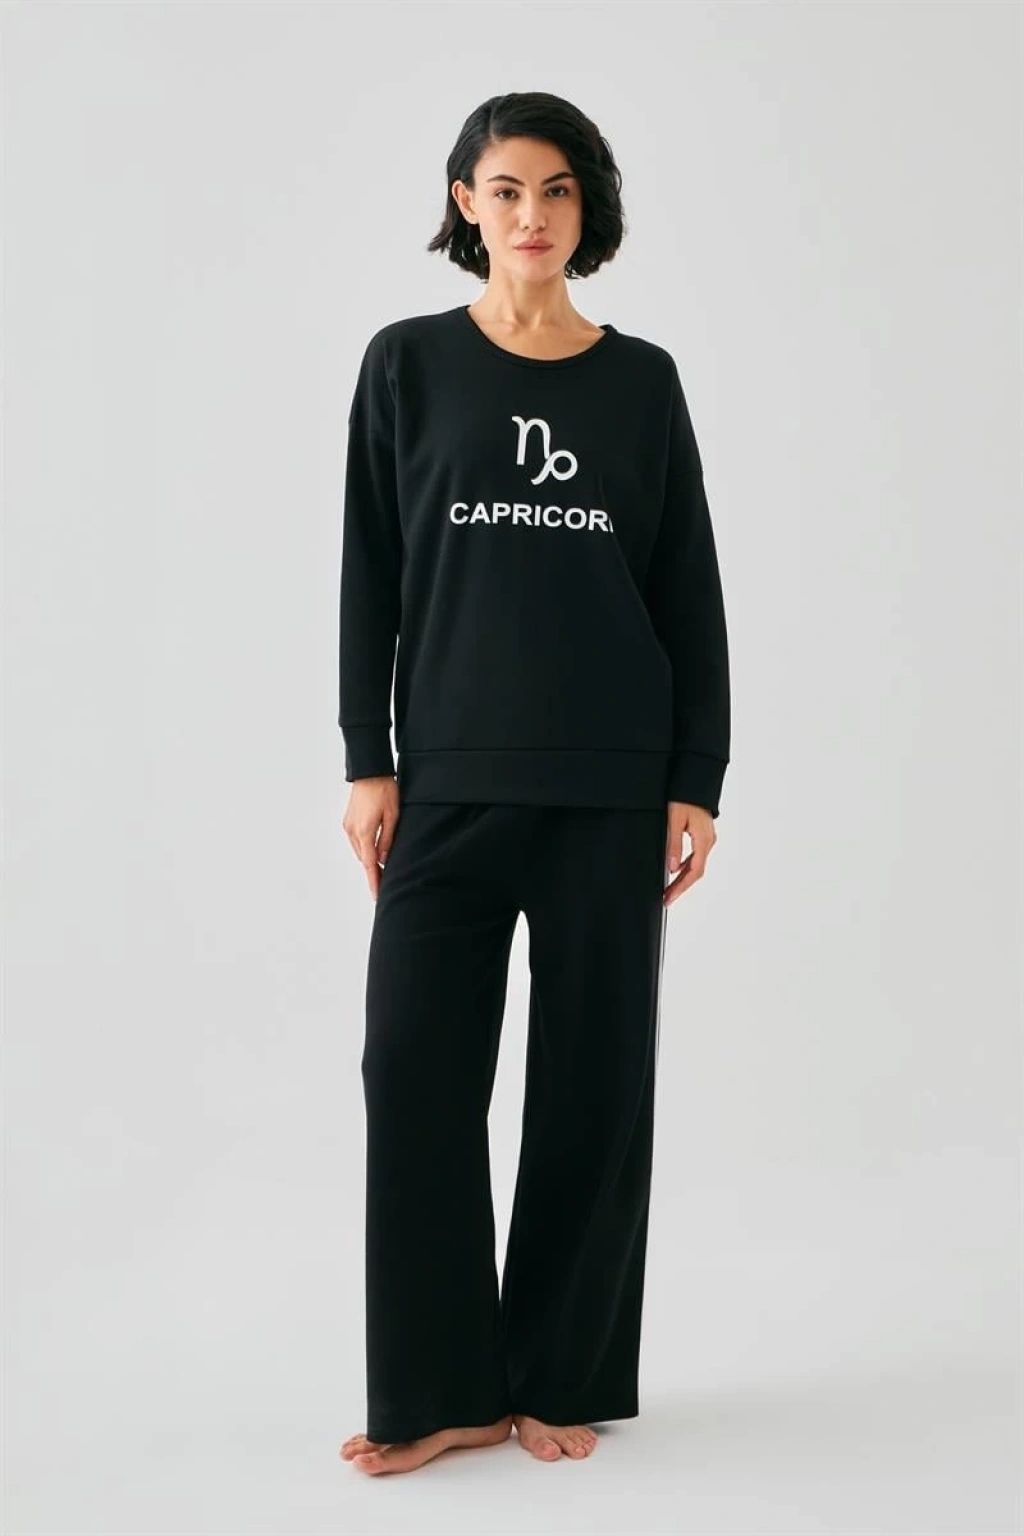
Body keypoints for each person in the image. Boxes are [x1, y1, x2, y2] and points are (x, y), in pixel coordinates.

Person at [336, 91, 731, 1477]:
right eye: (505, 189)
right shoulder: (406, 365)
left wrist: (696, 775)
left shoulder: (643, 383)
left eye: (557, 190)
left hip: (612, 788)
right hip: (447, 783)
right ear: (466, 203)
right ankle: (444, 1389)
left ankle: (561, 1373)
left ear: (586, 210)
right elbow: (370, 570)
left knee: (592, 1089)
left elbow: (686, 585)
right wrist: (368, 756)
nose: (532, 214)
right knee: (415, 1073)